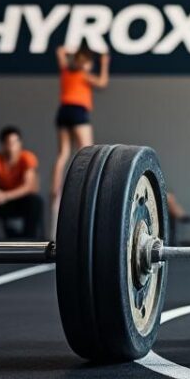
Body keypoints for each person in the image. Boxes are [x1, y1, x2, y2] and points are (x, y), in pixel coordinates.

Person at [50, 43, 109, 237]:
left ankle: (55, 188)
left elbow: (60, 51)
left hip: (63, 111)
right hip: (78, 112)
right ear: (85, 63)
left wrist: (73, 51)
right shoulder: (84, 74)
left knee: (63, 153)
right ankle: (85, 183)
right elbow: (102, 83)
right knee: (87, 151)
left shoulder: (66, 70)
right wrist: (105, 62)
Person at [0, 126, 44, 239]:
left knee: (36, 202)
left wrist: (6, 196)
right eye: (8, 142)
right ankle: (10, 233)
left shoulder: (27, 157)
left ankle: (29, 239)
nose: (12, 146)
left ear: (20, 143)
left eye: (15, 142)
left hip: (22, 198)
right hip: (3, 200)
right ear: (3, 144)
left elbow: (29, 186)